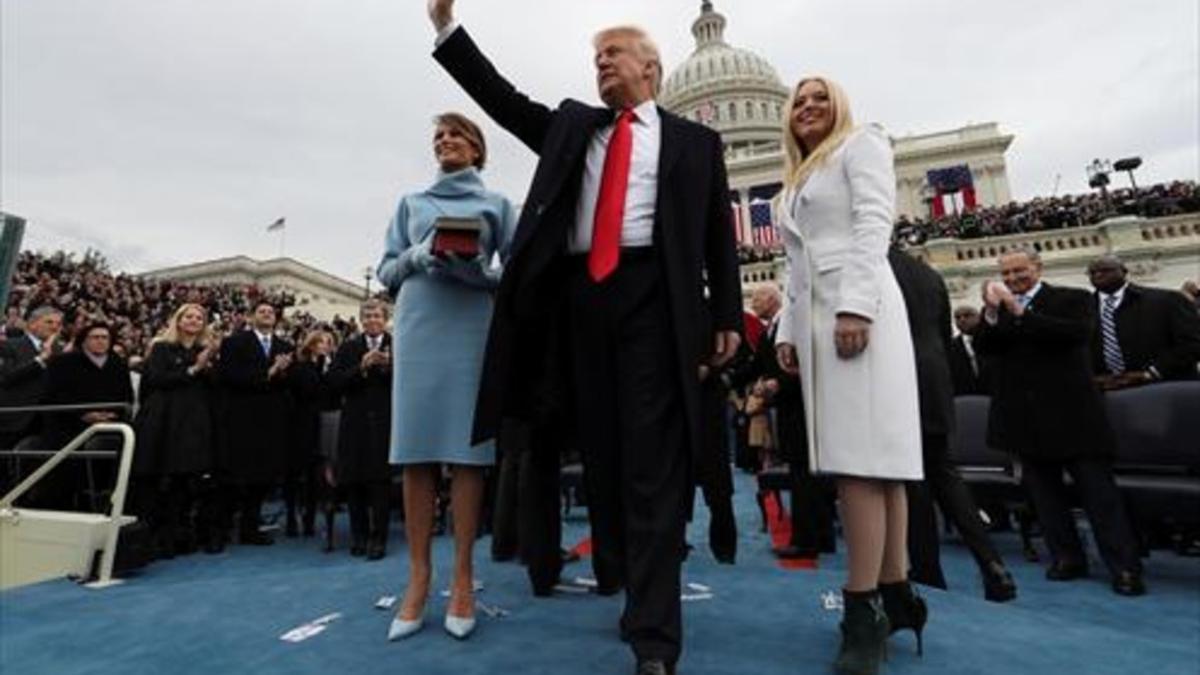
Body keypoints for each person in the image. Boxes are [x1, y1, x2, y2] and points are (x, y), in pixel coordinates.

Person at [427, 3, 743, 671]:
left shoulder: (695, 143)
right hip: (575, 305)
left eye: (614, 53)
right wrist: (447, 31)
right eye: (596, 57)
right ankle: (623, 571)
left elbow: (719, 233)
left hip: (655, 302)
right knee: (602, 461)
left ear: (651, 70)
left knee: (654, 468)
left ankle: (656, 637)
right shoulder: (575, 127)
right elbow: (502, 100)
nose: (601, 63)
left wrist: (725, 316)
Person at [772, 77, 924, 675]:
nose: (808, 107)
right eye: (799, 100)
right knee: (878, 464)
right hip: (817, 319)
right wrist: (786, 331)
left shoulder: (861, 143)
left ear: (840, 107)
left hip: (858, 310)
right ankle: (898, 593)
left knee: (861, 462)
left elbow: (872, 225)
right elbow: (795, 264)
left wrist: (856, 305)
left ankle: (861, 609)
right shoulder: (798, 176)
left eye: (820, 98)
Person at [377, 111, 515, 642]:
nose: (446, 141)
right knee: (414, 452)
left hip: (471, 329)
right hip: (418, 327)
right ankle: (417, 577)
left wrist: (479, 272)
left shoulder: (499, 205)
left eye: (456, 134)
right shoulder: (409, 204)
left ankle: (462, 576)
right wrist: (418, 253)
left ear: (477, 148)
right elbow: (387, 271)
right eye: (438, 135)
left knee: (466, 455)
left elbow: (517, 274)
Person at [974, 247, 1146, 596]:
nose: (1012, 279)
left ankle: (1124, 567)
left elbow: (1073, 334)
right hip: (1025, 419)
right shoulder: (997, 313)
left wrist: (1018, 311)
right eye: (1005, 274)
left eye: (1019, 271)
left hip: (1074, 417)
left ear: (1037, 268)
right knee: (1045, 497)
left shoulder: (1073, 298)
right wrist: (992, 313)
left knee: (1100, 498)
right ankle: (1067, 557)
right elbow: (986, 348)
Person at [887, 248, 1017, 603]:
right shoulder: (929, 275)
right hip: (934, 381)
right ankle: (992, 564)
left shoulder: (870, 265)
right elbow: (943, 337)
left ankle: (927, 571)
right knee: (944, 474)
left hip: (895, 379)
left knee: (911, 481)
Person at [132, 303, 219, 559]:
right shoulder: (161, 347)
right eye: (188, 316)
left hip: (194, 424)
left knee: (185, 481)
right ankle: (154, 538)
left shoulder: (207, 351)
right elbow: (158, 379)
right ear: (178, 321)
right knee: (159, 481)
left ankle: (178, 535)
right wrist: (194, 369)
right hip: (164, 422)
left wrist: (209, 366)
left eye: (199, 317)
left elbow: (214, 386)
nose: (194, 321)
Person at [216, 301, 294, 546]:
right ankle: (222, 527)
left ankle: (250, 527)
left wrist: (282, 373)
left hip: (271, 421)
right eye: (262, 311)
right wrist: (269, 373)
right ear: (251, 316)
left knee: (262, 477)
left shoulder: (285, 347)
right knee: (235, 477)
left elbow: (289, 385)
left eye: (271, 312)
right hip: (241, 418)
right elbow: (231, 377)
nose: (267, 315)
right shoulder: (234, 342)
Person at [42, 322, 135, 510]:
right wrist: (83, 415)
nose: (101, 341)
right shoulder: (63, 363)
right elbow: (52, 396)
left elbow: (127, 397)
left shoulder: (118, 364)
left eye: (105, 338)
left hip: (111, 425)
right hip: (69, 426)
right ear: (84, 341)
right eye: (95, 337)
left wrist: (112, 414)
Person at [327, 301, 393, 560]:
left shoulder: (397, 345)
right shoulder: (349, 347)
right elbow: (334, 382)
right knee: (354, 483)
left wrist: (389, 366)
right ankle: (359, 536)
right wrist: (361, 367)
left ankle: (379, 538)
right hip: (354, 424)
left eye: (377, 315)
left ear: (385, 318)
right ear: (361, 320)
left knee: (380, 483)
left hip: (386, 424)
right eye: (367, 316)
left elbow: (409, 383)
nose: (372, 319)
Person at [1086, 255, 1200, 387]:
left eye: (1106, 270)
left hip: (1167, 386)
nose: (1098, 275)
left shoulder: (1167, 300)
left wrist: (1150, 373)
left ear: (1123, 271)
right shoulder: (1083, 310)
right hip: (1108, 392)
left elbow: (1192, 344)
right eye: (1092, 273)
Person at [286, 329, 335, 540]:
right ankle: (291, 516)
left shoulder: (331, 367)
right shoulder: (300, 367)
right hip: (301, 423)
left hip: (324, 423)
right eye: (320, 342)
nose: (324, 345)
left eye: (328, 342)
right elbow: (306, 390)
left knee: (318, 473)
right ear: (311, 345)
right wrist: (320, 369)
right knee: (297, 472)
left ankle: (310, 517)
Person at [0, 306, 63, 453]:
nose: (54, 327)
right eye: (49, 322)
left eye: (58, 324)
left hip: (45, 421)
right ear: (32, 324)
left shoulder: (59, 351)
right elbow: (7, 377)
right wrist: (39, 360)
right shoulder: (9, 345)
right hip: (14, 420)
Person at [948, 306, 987, 396]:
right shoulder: (950, 348)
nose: (962, 320)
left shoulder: (992, 341)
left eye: (967, 315)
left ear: (979, 317)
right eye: (958, 317)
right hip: (965, 397)